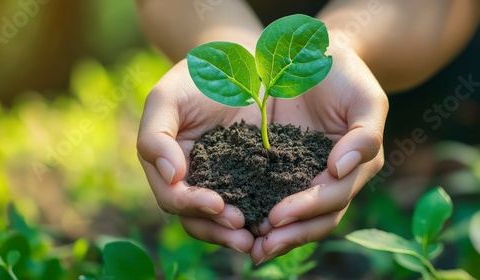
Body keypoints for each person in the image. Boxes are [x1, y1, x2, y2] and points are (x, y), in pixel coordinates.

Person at [135, 0, 480, 265]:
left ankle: (423, 157)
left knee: (423, 161)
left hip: (422, 67)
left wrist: (345, 44)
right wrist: (226, 39)